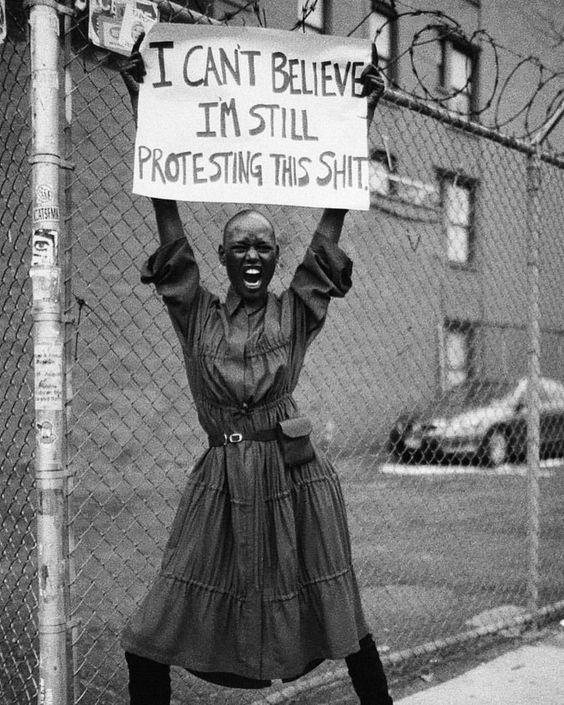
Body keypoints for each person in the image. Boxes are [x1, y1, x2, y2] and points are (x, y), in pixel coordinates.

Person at [120, 33, 392, 705]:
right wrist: (147, 110)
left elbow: (329, 229)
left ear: (276, 258)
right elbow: (168, 226)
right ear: (221, 255)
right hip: (220, 480)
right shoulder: (197, 315)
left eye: (264, 246)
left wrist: (357, 122)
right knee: (151, 631)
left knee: (342, 616)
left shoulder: (295, 312)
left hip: (295, 479)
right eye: (239, 245)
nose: (252, 254)